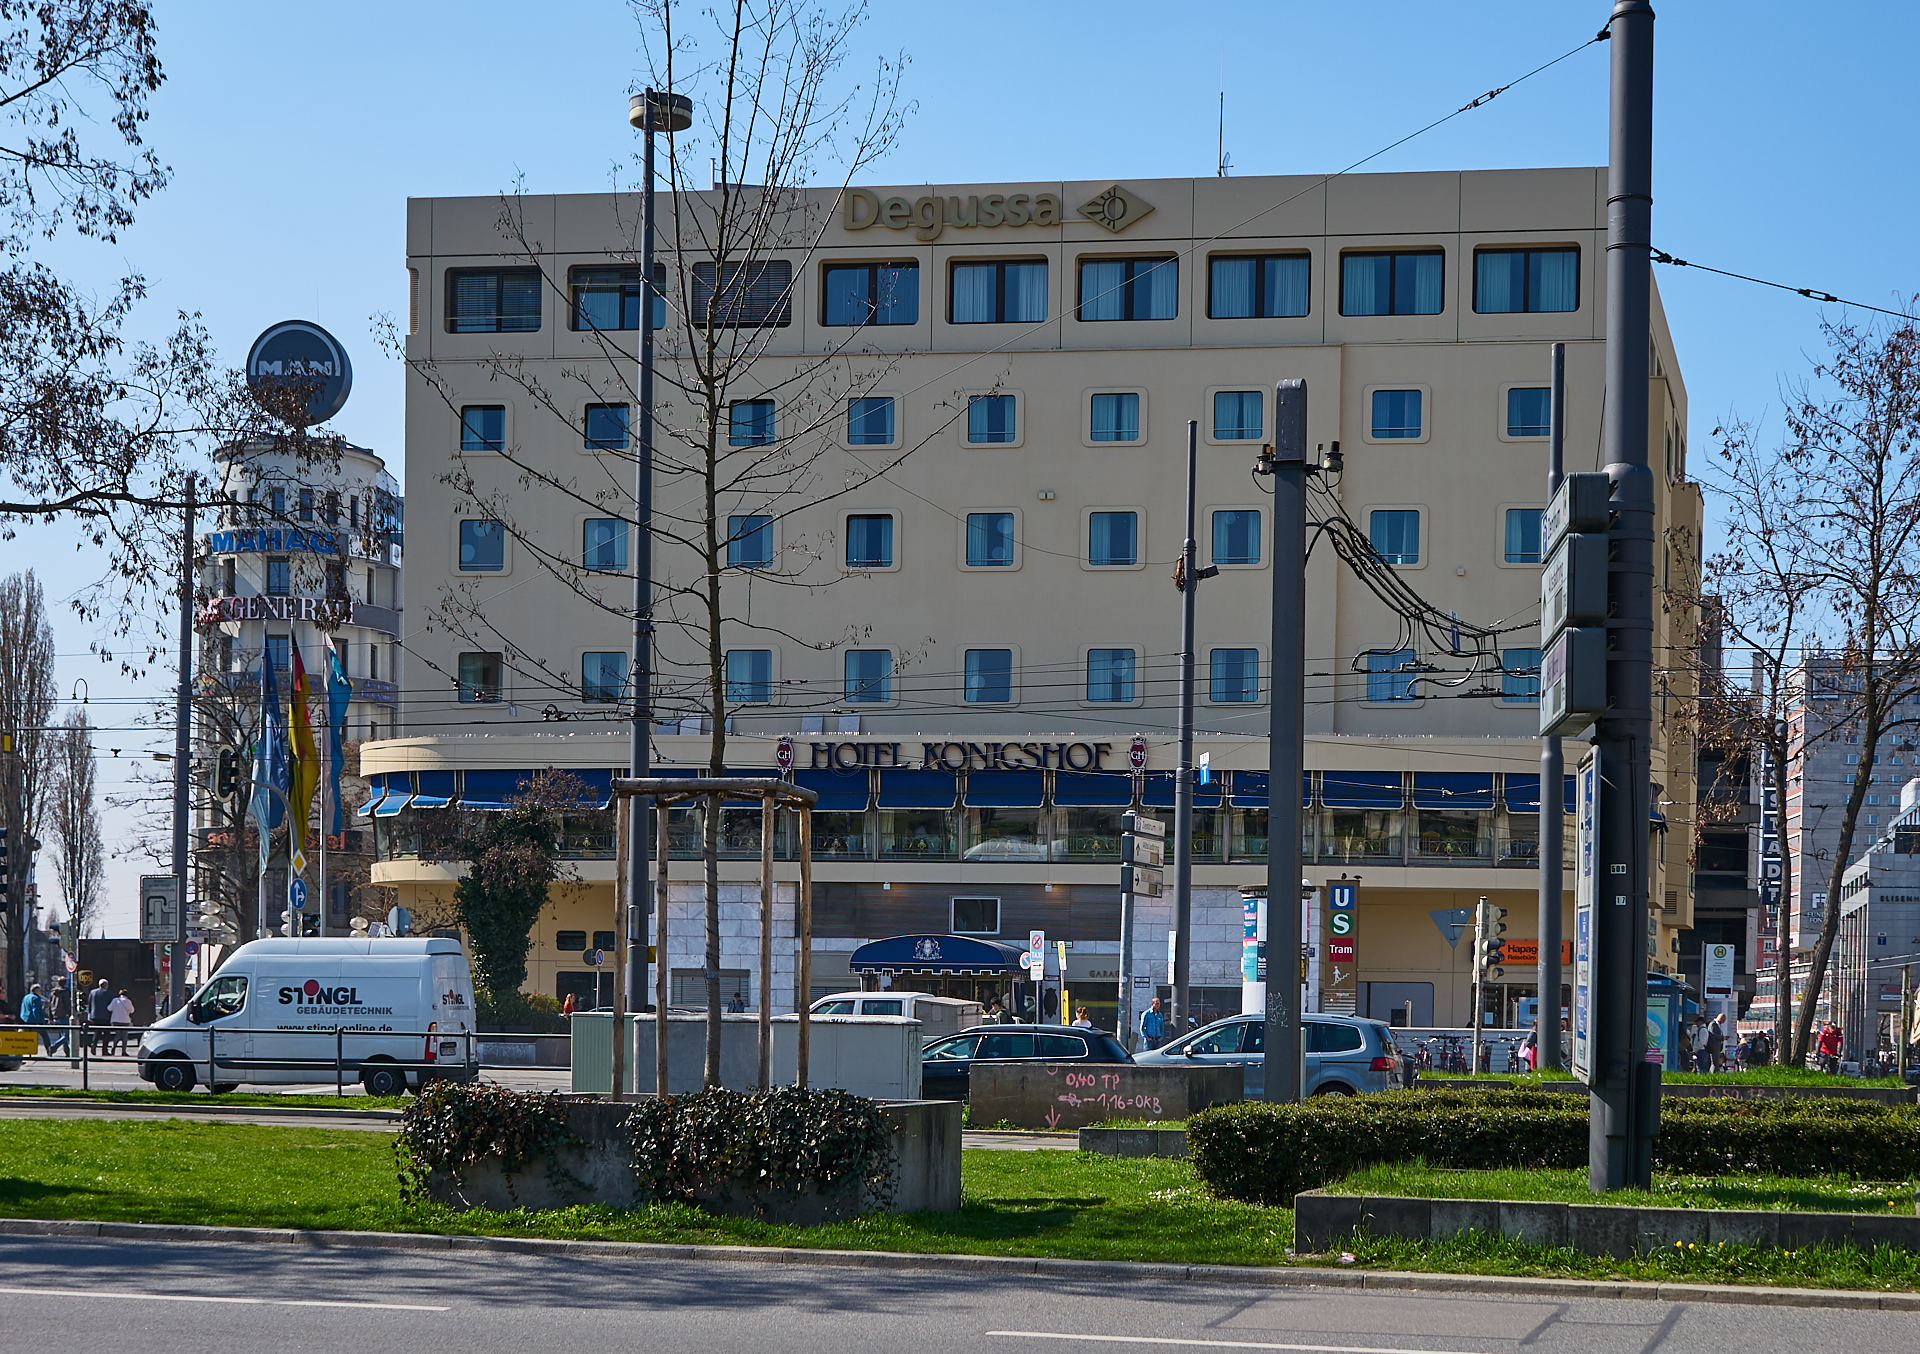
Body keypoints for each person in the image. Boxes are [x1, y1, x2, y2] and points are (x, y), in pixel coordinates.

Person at [85, 979, 112, 1052]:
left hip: (95, 1015)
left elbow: (89, 1004)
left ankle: (94, 1045)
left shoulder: (93, 992)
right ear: (106, 985)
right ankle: (105, 1050)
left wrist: (90, 1014)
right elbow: (110, 1005)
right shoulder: (109, 993)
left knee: (97, 1032)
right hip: (106, 1016)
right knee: (106, 1033)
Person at [107, 988, 135, 1055]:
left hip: (115, 1020)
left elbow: (109, 1008)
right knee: (124, 1036)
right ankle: (123, 1051)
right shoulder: (128, 1001)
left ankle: (113, 1048)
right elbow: (132, 1010)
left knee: (118, 1035)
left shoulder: (115, 1000)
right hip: (125, 1020)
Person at [43, 983, 69, 1056]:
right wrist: (71, 1013)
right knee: (66, 1035)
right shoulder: (65, 992)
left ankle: (67, 1052)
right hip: (64, 1015)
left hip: (56, 1015)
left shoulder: (53, 992)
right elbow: (67, 1004)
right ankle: (53, 1047)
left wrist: (50, 1017)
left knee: (62, 1035)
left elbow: (50, 1005)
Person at [18, 984, 44, 1051]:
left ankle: (22, 1050)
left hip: (24, 1020)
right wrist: (39, 1022)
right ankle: (49, 1049)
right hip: (32, 1020)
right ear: (37, 991)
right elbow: (35, 1011)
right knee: (44, 1034)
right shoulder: (35, 998)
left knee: (24, 1037)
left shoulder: (25, 997)